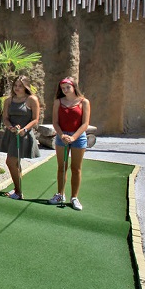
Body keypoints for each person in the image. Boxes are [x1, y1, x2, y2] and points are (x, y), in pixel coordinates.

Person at [49, 76, 91, 210]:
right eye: (63, 88)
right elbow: (55, 122)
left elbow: (85, 124)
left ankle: (74, 197)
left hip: (78, 136)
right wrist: (62, 135)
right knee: (62, 167)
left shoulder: (84, 102)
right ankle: (60, 194)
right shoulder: (58, 102)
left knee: (76, 168)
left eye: (68, 87)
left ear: (74, 87)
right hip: (62, 136)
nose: (65, 90)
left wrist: (73, 138)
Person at [0, 76, 41, 199]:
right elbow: (5, 118)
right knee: (15, 162)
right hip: (12, 133)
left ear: (26, 87)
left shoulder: (32, 99)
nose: (17, 88)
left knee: (10, 161)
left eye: (20, 86)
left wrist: (25, 130)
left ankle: (18, 192)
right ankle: (17, 189)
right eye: (15, 85)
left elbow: (35, 119)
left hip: (24, 134)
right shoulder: (8, 100)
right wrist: (10, 127)